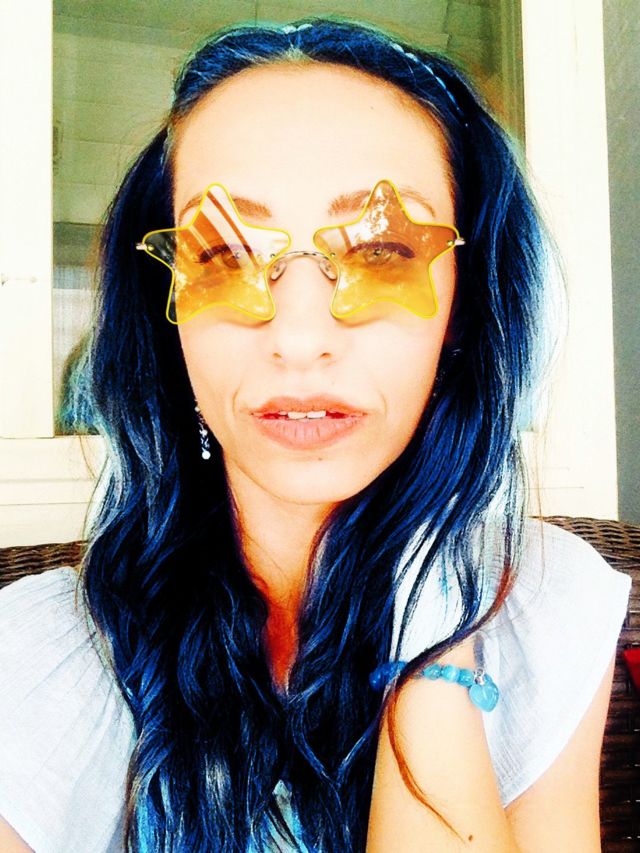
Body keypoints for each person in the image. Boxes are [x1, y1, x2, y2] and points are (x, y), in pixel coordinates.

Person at [0, 16, 631, 853]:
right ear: (169, 317)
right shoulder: (32, 660)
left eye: (384, 251)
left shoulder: (549, 602)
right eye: (221, 255)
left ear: (462, 312)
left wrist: (431, 634)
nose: (299, 340)